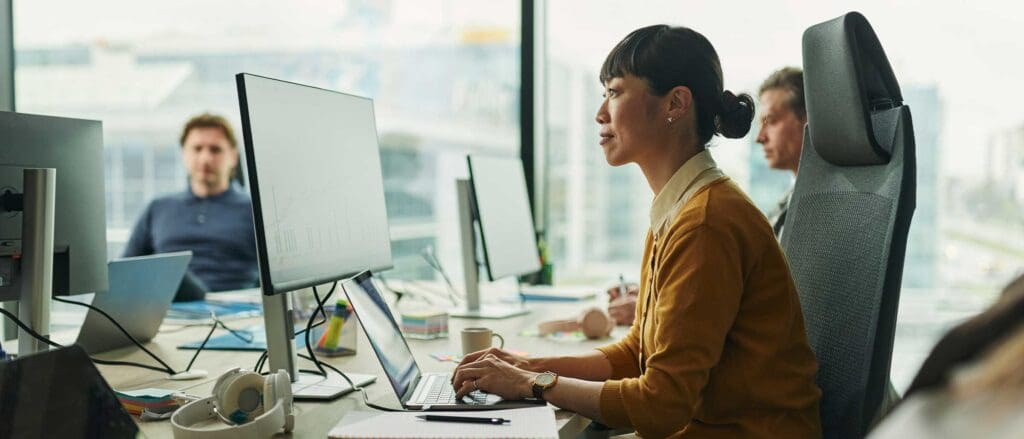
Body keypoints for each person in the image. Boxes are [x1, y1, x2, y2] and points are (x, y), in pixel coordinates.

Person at [452, 25, 821, 438]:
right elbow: (637, 354)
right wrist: (529, 367)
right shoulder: (681, 209)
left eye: (614, 91)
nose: (600, 113)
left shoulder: (706, 223)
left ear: (675, 104)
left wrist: (537, 386)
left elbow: (661, 404)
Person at [607, 66, 807, 326]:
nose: (759, 137)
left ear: (809, 121)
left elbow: (782, 308)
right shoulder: (788, 203)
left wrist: (665, 310)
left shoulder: (708, 218)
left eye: (772, 121)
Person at [123, 113, 259, 301]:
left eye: (215, 150)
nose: (205, 158)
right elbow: (125, 272)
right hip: (171, 316)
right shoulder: (157, 208)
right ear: (183, 154)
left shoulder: (254, 211)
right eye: (197, 149)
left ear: (233, 156)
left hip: (238, 313)